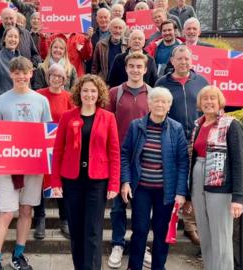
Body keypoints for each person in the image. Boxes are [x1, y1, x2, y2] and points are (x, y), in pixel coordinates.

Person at [0, 56, 52, 270]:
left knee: (26, 210)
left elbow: (47, 132)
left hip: (33, 163)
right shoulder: (0, 100)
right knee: (6, 212)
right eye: (17, 73)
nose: (21, 76)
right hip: (8, 164)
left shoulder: (41, 100)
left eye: (25, 73)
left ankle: (18, 255)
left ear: (31, 73)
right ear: (11, 74)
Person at [51, 74, 120, 270]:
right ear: (79, 92)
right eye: (85, 90)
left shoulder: (108, 118)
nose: (89, 94)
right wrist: (55, 182)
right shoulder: (67, 117)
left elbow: (114, 152)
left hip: (96, 182)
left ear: (99, 94)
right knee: (76, 229)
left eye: (93, 91)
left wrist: (114, 183)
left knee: (93, 230)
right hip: (71, 181)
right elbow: (58, 151)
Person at [120, 87, 188, 270]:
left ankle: (159, 266)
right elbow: (125, 154)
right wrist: (125, 181)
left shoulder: (176, 128)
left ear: (169, 106)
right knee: (140, 230)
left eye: (164, 101)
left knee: (161, 231)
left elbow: (183, 162)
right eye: (156, 100)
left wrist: (181, 192)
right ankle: (134, 266)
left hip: (166, 190)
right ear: (148, 103)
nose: (159, 104)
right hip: (141, 188)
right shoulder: (136, 126)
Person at [183, 85, 243, 270]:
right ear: (200, 103)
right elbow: (192, 158)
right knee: (205, 234)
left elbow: (239, 162)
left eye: (213, 98)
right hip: (198, 179)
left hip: (221, 185)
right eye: (205, 99)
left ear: (220, 102)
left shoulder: (231, 125)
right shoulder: (198, 125)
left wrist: (238, 198)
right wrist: (188, 194)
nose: (209, 102)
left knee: (220, 237)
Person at [155, 45, 208, 245]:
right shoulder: (162, 83)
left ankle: (190, 225)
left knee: (193, 183)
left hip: (197, 139)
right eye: (180, 59)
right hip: (170, 138)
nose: (184, 62)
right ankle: (171, 221)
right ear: (172, 61)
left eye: (187, 58)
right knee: (172, 180)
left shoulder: (201, 81)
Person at [106, 52, 153, 269]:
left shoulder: (152, 94)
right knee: (117, 206)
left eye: (139, 66)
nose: (135, 70)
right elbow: (105, 124)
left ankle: (140, 245)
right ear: (126, 68)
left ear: (145, 69)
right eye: (131, 66)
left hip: (145, 158)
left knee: (141, 207)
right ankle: (118, 243)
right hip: (118, 156)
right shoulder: (115, 93)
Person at [33, 64, 75, 239]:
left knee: (60, 182)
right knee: (40, 183)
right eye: (53, 76)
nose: (56, 79)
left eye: (60, 76)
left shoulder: (69, 97)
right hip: (41, 145)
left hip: (61, 147)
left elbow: (74, 120)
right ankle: (40, 219)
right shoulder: (38, 95)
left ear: (64, 80)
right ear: (48, 77)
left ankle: (64, 219)